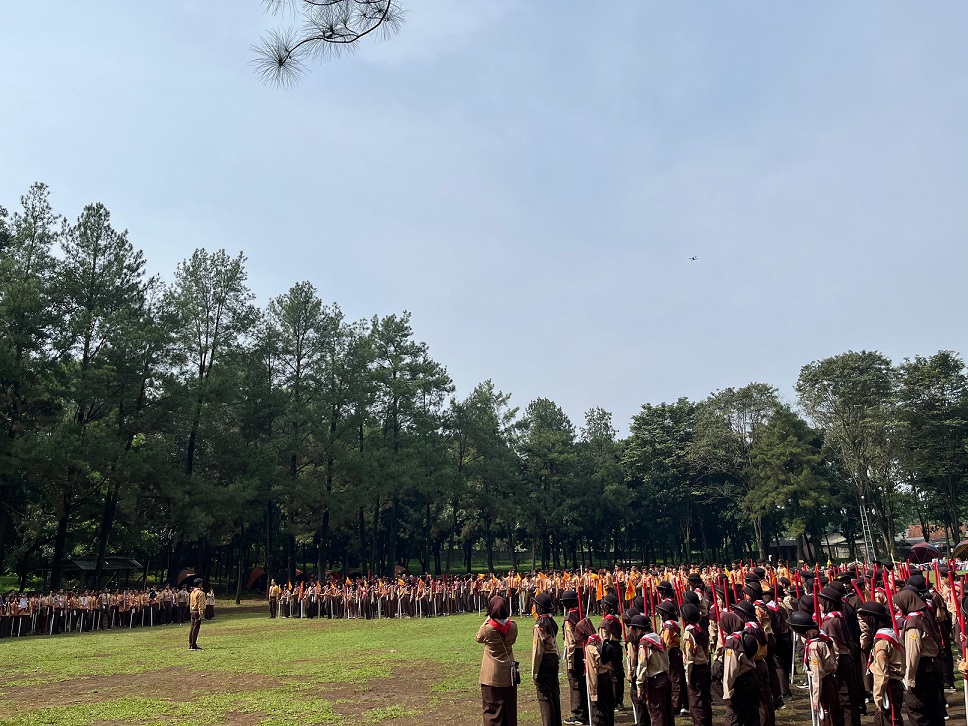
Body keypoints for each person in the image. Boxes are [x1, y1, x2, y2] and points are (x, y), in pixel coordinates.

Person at [477, 595, 518, 726]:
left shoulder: (488, 628)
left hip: (491, 673)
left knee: (491, 709)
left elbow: (478, 638)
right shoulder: (512, 626)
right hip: (508, 671)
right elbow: (513, 640)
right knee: (508, 707)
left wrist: (487, 620)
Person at [531, 592, 562, 726]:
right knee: (554, 695)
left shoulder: (540, 625)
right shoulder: (551, 621)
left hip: (545, 661)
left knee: (545, 698)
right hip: (554, 659)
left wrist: (534, 673)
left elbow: (537, 652)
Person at [188, 578, 205, 651]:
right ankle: (193, 645)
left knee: (192, 628)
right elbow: (200, 605)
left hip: (192, 611)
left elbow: (191, 603)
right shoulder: (200, 593)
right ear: (199, 584)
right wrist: (201, 614)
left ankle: (191, 643)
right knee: (196, 629)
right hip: (197, 611)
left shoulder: (192, 593)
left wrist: (190, 611)